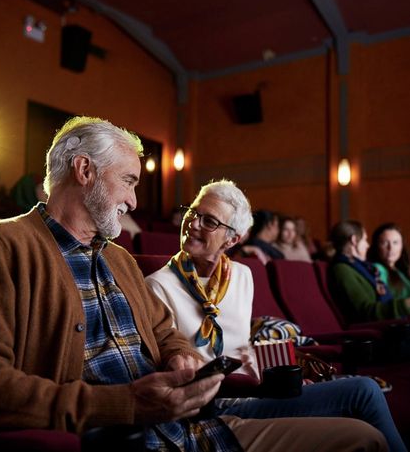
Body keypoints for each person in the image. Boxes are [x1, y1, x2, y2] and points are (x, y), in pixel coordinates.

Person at [0, 117, 389, 452]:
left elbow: (166, 333)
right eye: (128, 180)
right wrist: (125, 404)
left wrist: (181, 359)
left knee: (362, 435)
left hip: (187, 420)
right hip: (126, 436)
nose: (134, 201)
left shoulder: (118, 258)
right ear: (84, 170)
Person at [144, 179, 407, 451]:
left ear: (233, 239)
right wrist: (252, 385)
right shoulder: (157, 286)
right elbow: (174, 369)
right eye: (192, 212)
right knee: (364, 394)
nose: (194, 223)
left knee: (364, 389)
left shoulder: (242, 275)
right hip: (218, 403)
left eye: (209, 221)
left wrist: (281, 376)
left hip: (259, 390)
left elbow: (242, 346)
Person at [328, 220, 410, 323]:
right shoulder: (342, 269)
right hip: (381, 330)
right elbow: (365, 312)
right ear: (354, 240)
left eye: (396, 243)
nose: (368, 245)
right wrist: (405, 305)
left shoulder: (361, 268)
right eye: (365, 240)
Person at [367, 223, 410, 301]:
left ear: (402, 246)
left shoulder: (399, 270)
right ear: (376, 246)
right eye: (384, 243)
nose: (390, 248)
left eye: (395, 243)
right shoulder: (377, 269)